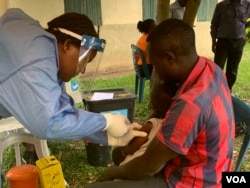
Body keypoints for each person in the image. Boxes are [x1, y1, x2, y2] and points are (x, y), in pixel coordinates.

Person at [85, 18, 234, 188]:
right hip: (214, 170)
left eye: (155, 65)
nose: (155, 72)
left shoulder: (191, 105)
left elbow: (147, 167)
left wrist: (111, 173)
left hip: (191, 182)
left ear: (169, 58)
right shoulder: (211, 69)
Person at [0, 9, 147, 164]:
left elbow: (66, 114)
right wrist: (106, 121)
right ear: (67, 46)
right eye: (84, 60)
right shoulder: (35, 58)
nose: (82, 69)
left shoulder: (47, 56)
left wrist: (107, 136)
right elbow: (49, 122)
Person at [210, 0, 250, 91]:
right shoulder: (221, 5)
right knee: (217, 69)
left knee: (233, 71)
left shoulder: (247, 5)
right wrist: (213, 41)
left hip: (239, 42)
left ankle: (228, 91)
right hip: (223, 42)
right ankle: (215, 91)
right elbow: (214, 24)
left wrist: (245, 26)